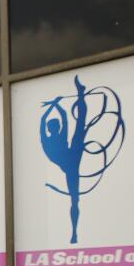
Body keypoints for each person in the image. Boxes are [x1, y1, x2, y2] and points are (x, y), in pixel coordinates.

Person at [40, 75, 89, 244]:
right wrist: (55, 105)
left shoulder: (53, 137)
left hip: (72, 157)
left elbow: (61, 118)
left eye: (56, 125)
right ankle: (74, 233)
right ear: (53, 127)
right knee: (74, 200)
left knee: (81, 122)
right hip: (70, 163)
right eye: (55, 125)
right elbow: (50, 119)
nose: (57, 126)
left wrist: (55, 105)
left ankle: (81, 94)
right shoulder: (49, 139)